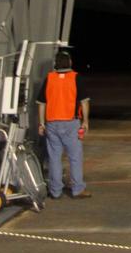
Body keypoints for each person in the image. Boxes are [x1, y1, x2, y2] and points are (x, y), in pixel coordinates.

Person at [36, 49, 91, 200]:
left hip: (52, 123)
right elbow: (84, 102)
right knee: (75, 157)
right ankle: (77, 189)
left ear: (56, 64)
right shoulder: (75, 78)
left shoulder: (50, 78)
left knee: (54, 158)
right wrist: (85, 121)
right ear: (70, 63)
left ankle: (55, 191)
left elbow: (41, 103)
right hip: (70, 123)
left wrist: (42, 123)